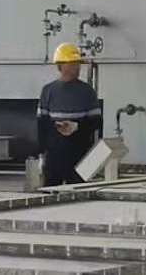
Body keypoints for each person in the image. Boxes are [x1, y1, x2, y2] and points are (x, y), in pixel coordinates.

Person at [37, 43, 102, 186]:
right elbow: (42, 125)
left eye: (77, 64)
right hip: (54, 157)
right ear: (60, 66)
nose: (76, 68)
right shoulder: (48, 91)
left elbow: (96, 121)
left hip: (80, 155)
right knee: (50, 193)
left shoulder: (87, 91)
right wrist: (41, 154)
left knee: (78, 193)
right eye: (72, 64)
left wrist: (77, 126)